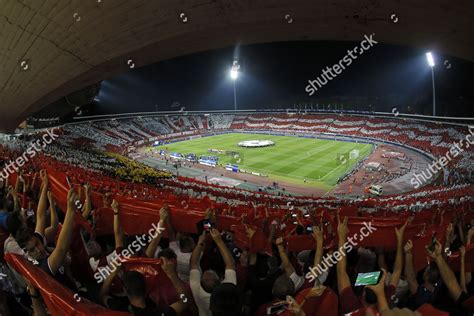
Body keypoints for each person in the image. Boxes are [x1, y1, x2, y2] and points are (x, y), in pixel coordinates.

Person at [189, 228, 236, 316]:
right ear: (220, 279)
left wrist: (201, 242)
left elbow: (194, 263)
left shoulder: (196, 289)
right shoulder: (227, 290)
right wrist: (219, 241)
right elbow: (230, 264)